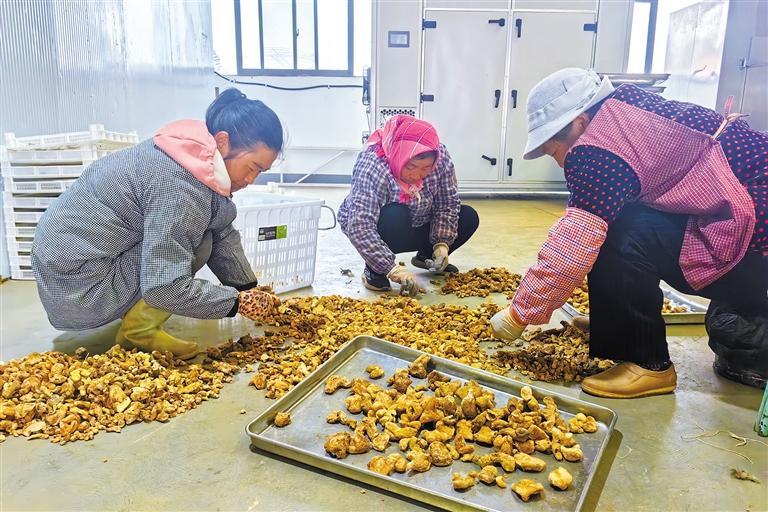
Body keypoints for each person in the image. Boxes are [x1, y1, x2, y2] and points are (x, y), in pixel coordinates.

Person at [491, 68, 768, 397]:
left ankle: (647, 362)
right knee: (618, 218)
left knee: (620, 228)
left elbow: (573, 245)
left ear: (579, 122)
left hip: (753, 241)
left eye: (554, 151)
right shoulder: (625, 109)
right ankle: (619, 325)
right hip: (742, 219)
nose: (561, 163)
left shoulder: (596, 149)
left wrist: (519, 314)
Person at [32, 88, 283, 359]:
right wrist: (235, 303)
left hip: (71, 272)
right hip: (80, 288)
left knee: (202, 229)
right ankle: (139, 330)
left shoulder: (187, 155)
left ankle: (134, 314)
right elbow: (165, 286)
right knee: (199, 242)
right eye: (253, 167)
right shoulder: (179, 185)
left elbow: (221, 225)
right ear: (223, 142)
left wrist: (249, 288)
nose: (251, 179)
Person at [338, 115, 479, 296]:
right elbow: (360, 225)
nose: (417, 175)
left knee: (468, 217)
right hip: (386, 226)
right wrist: (391, 268)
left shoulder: (440, 156)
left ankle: (428, 256)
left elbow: (447, 203)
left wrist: (442, 244)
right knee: (394, 214)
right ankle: (375, 270)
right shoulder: (373, 164)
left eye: (426, 168)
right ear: (399, 155)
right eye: (411, 167)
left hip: (420, 218)